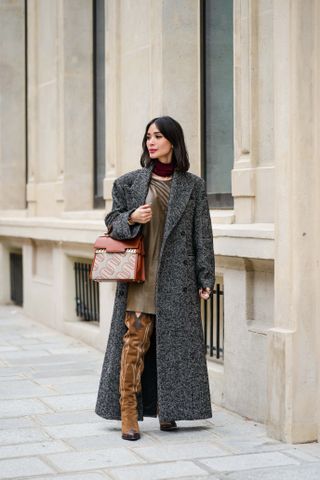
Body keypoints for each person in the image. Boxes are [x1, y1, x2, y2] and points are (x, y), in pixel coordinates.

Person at [95, 116, 215, 441]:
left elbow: (201, 235)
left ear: (173, 142)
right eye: (148, 136)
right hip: (140, 278)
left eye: (158, 136)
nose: (151, 141)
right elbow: (111, 222)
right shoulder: (129, 183)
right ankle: (129, 415)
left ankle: (168, 409)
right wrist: (131, 217)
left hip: (177, 280)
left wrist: (205, 276)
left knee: (170, 346)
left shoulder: (193, 185)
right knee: (134, 344)